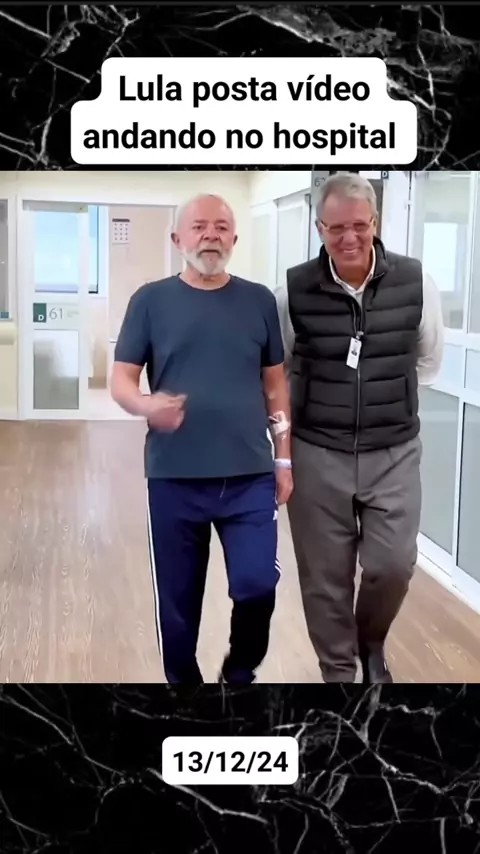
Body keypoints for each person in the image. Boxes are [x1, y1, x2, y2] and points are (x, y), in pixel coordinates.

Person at [111, 193, 293, 685]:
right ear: (178, 239)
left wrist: (283, 460)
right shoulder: (150, 301)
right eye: (198, 226)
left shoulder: (259, 301)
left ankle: (239, 670)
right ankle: (184, 689)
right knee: (177, 603)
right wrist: (147, 405)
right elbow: (122, 380)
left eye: (220, 227)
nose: (210, 235)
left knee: (258, 583)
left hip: (249, 475)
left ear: (234, 238)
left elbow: (275, 384)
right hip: (175, 476)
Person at [275, 172, 444, 684]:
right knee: (324, 578)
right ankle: (338, 674)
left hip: (393, 452)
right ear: (319, 228)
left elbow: (428, 362)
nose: (349, 238)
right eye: (336, 228)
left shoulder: (417, 283)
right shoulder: (293, 291)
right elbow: (278, 371)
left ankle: (371, 642)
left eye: (359, 226)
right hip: (317, 452)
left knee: (393, 564)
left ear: (376, 221)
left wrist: (378, 398)